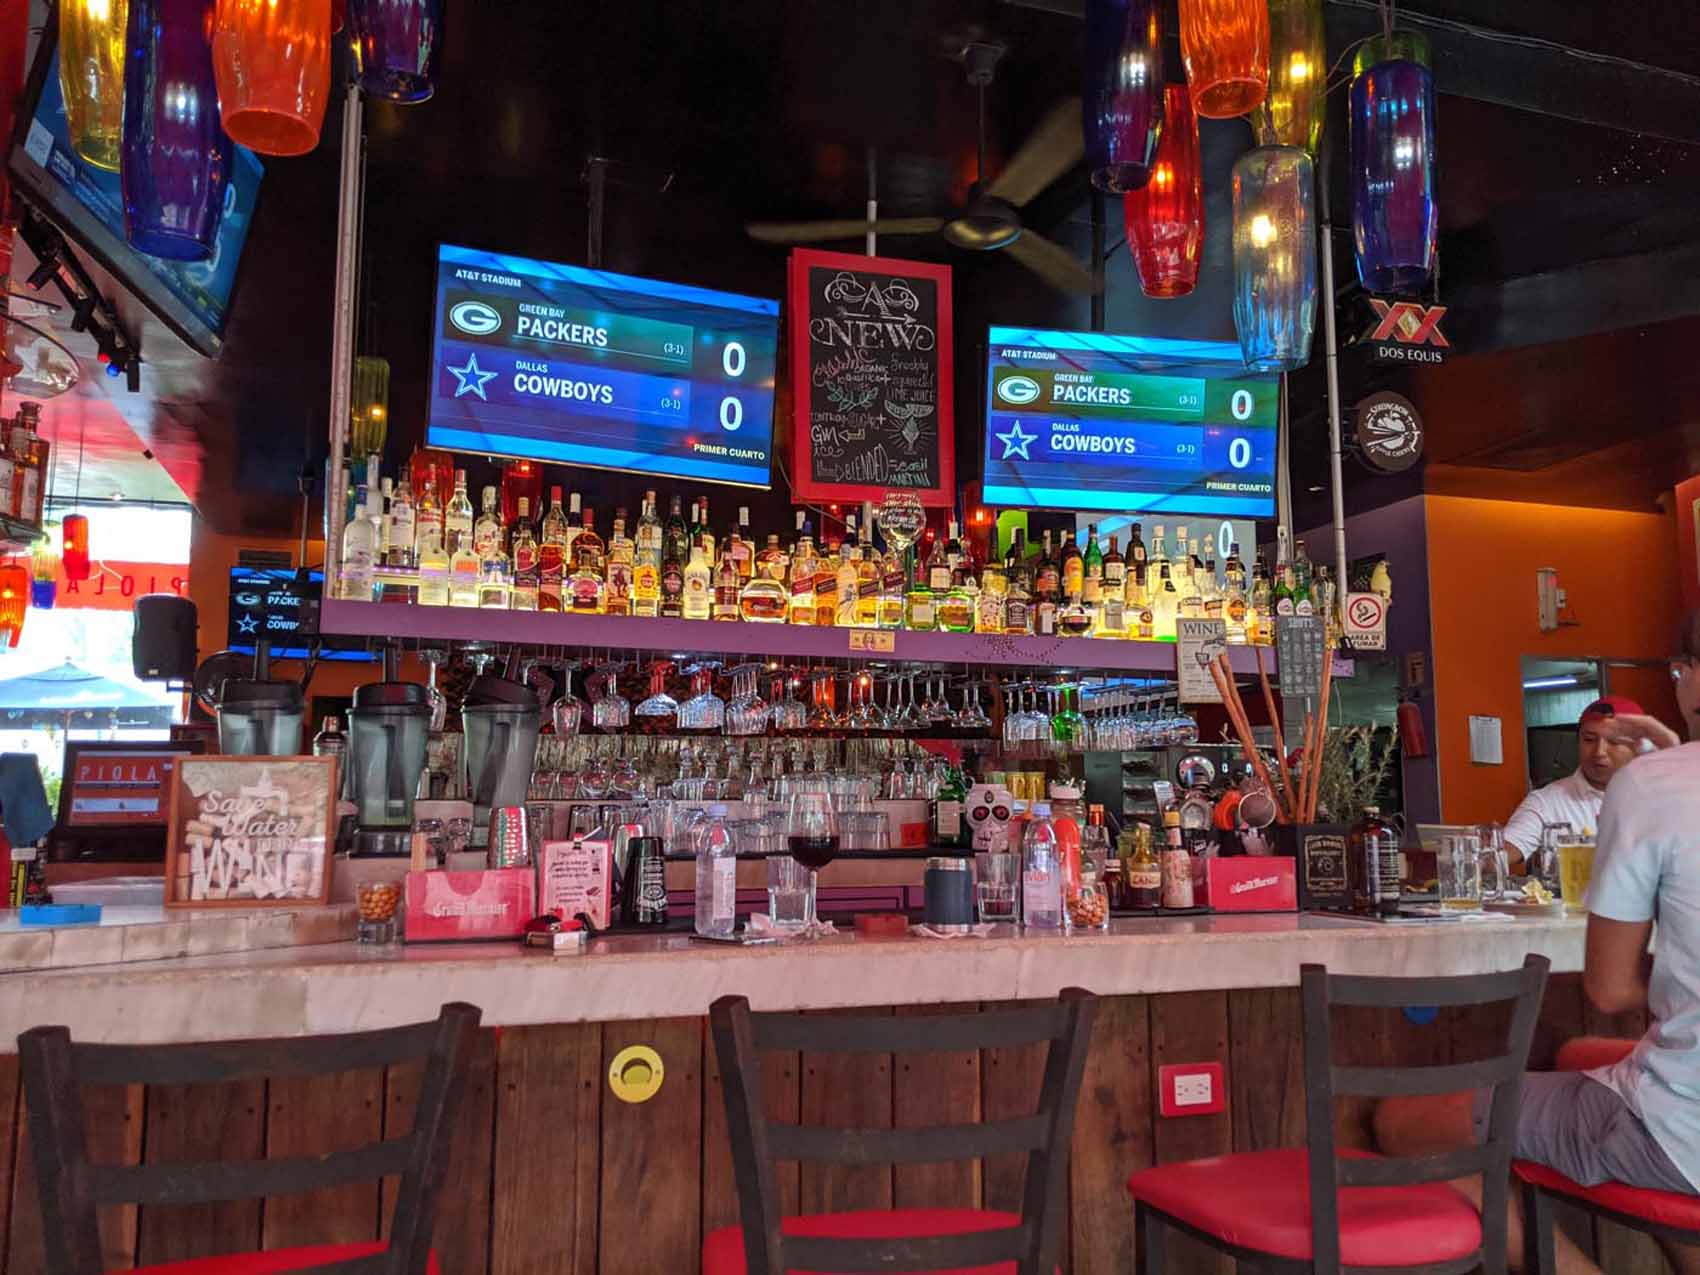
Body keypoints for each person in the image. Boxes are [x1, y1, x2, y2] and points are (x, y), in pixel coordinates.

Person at [1375, 610, 1700, 1274]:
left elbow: (1608, 988)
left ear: (1689, 677)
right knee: (1582, 1059)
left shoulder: (1653, 786)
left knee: (1400, 1123)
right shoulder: (1596, 790)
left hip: (1682, 1131)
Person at [1502, 695, 1645, 870]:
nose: (1599, 752)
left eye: (1613, 741)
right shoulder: (1547, 802)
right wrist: (1482, 854)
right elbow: (1505, 852)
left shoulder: (1664, 800)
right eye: (1589, 740)